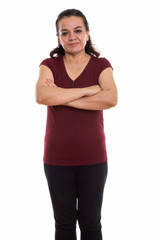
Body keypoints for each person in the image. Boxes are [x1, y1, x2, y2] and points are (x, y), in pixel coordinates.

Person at [36, 8, 117, 240]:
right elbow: (42, 97)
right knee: (63, 224)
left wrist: (62, 97)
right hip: (56, 159)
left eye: (78, 30)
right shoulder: (48, 65)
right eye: (65, 32)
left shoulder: (101, 65)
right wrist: (88, 91)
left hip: (94, 158)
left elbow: (111, 98)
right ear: (59, 38)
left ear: (88, 34)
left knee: (91, 224)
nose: (72, 37)